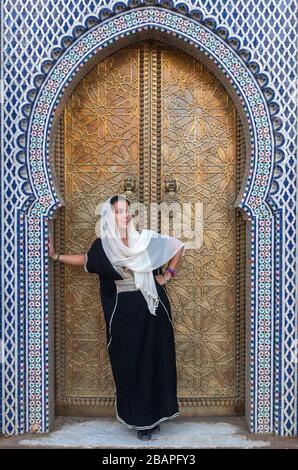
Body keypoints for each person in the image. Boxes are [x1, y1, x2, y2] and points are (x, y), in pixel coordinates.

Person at [48, 194, 185, 441]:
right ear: (110, 216)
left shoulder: (145, 239)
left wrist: (168, 275)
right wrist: (57, 257)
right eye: (119, 211)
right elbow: (86, 260)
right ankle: (140, 419)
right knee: (130, 364)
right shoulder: (104, 246)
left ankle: (154, 417)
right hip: (124, 314)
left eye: (126, 211)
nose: (124, 216)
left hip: (153, 309)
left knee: (156, 360)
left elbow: (178, 246)